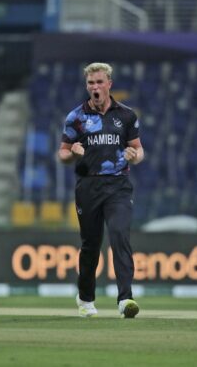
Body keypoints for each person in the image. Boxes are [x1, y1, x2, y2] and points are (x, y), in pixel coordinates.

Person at [57, 62, 145, 318]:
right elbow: (62, 152)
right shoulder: (76, 117)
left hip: (118, 185)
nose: (94, 87)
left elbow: (138, 149)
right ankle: (85, 297)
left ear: (109, 84)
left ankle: (125, 299)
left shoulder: (126, 115)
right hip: (88, 186)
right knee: (91, 245)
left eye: (99, 82)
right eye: (90, 83)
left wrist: (135, 156)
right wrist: (71, 153)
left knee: (120, 235)